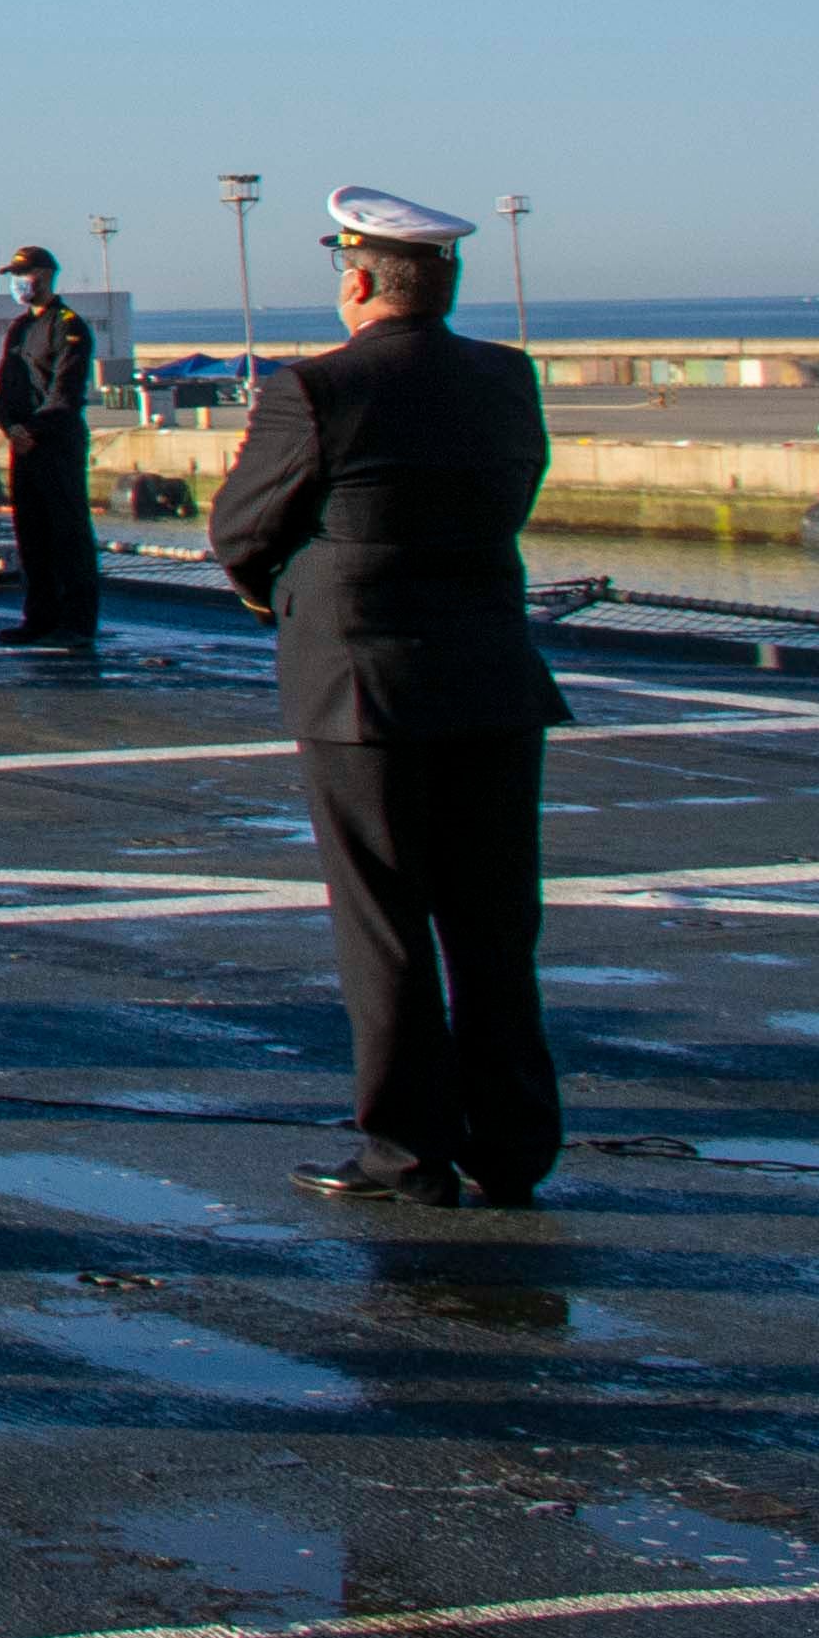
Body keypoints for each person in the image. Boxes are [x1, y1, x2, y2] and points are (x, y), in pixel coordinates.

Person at [215, 188, 567, 1208]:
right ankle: (514, 1143)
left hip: (362, 689)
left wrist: (277, 585)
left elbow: (241, 528)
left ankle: (408, 1151)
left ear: (360, 281)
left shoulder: (316, 388)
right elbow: (514, 494)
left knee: (386, 924)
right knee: (497, 928)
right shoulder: (508, 379)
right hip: (494, 680)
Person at [0, 244, 101, 648]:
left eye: (28, 273)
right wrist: (8, 425)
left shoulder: (68, 325)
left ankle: (76, 622)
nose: (21, 282)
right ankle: (38, 617)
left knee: (67, 532)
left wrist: (32, 431)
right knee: (32, 533)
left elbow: (65, 391)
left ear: (46, 276)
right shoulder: (20, 328)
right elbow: (6, 385)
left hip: (55, 441)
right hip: (23, 442)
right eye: (16, 275)